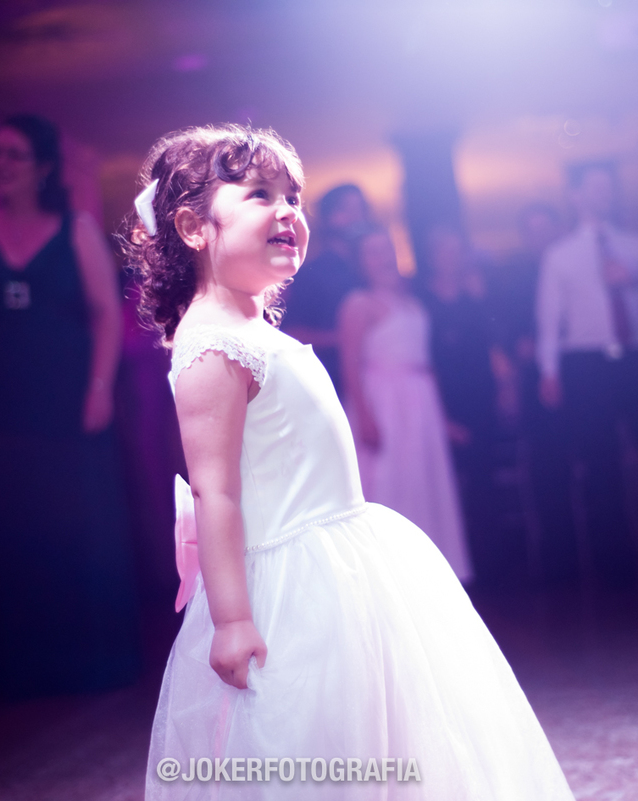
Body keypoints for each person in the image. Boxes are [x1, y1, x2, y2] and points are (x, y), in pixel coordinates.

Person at [127, 124, 573, 799]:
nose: (287, 211)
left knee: (383, 726)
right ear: (194, 228)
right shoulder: (211, 345)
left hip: (343, 558)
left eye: (292, 197)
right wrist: (233, 619)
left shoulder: (251, 328)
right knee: (309, 736)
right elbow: (215, 492)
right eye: (259, 194)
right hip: (289, 582)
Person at [0, 113, 140, 696]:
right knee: (14, 532)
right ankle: (21, 664)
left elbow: (107, 314)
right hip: (5, 403)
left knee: (77, 527)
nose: (1, 164)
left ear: (44, 168)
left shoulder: (75, 229)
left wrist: (99, 390)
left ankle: (86, 659)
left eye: (15, 154)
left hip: (70, 403)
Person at [535, 161, 638, 586]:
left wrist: (636, 283)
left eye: (608, 187)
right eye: (594, 188)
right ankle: (616, 569)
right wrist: (550, 372)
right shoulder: (559, 255)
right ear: (575, 196)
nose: (603, 195)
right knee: (599, 462)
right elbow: (548, 322)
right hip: (586, 364)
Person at [340, 226, 473, 582]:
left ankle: (428, 576)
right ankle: (389, 577)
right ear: (361, 262)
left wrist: (441, 418)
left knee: (423, 483)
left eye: (386, 249)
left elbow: (425, 363)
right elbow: (350, 363)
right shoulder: (359, 303)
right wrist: (364, 416)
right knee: (391, 481)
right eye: (372, 252)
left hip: (421, 403)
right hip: (385, 402)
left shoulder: (413, 302)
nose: (383, 258)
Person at [419, 223, 503, 579]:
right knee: (448, 488)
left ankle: (489, 569)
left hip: (481, 400)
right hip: (440, 404)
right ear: (432, 256)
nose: (450, 258)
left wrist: (505, 390)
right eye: (443, 251)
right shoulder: (420, 301)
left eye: (456, 251)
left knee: (485, 482)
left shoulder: (476, 299)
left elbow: (492, 350)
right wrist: (442, 416)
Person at [280, 183, 371, 394]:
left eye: (360, 208)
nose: (357, 216)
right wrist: (346, 337)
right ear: (329, 217)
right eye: (347, 209)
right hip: (335, 381)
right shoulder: (312, 274)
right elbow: (292, 332)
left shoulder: (365, 269)